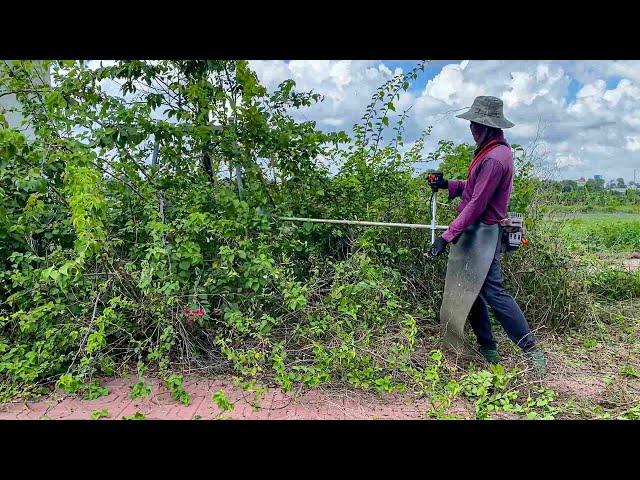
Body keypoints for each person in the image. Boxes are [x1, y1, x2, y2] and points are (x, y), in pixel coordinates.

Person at [428, 95, 547, 375]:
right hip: (476, 231)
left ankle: (532, 351)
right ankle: (488, 348)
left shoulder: (494, 159)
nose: (470, 128)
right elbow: (473, 186)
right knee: (472, 288)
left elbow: (477, 204)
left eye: (473, 123)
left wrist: (446, 236)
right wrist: (448, 185)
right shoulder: (493, 151)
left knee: (494, 292)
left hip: (483, 233)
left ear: (484, 126)